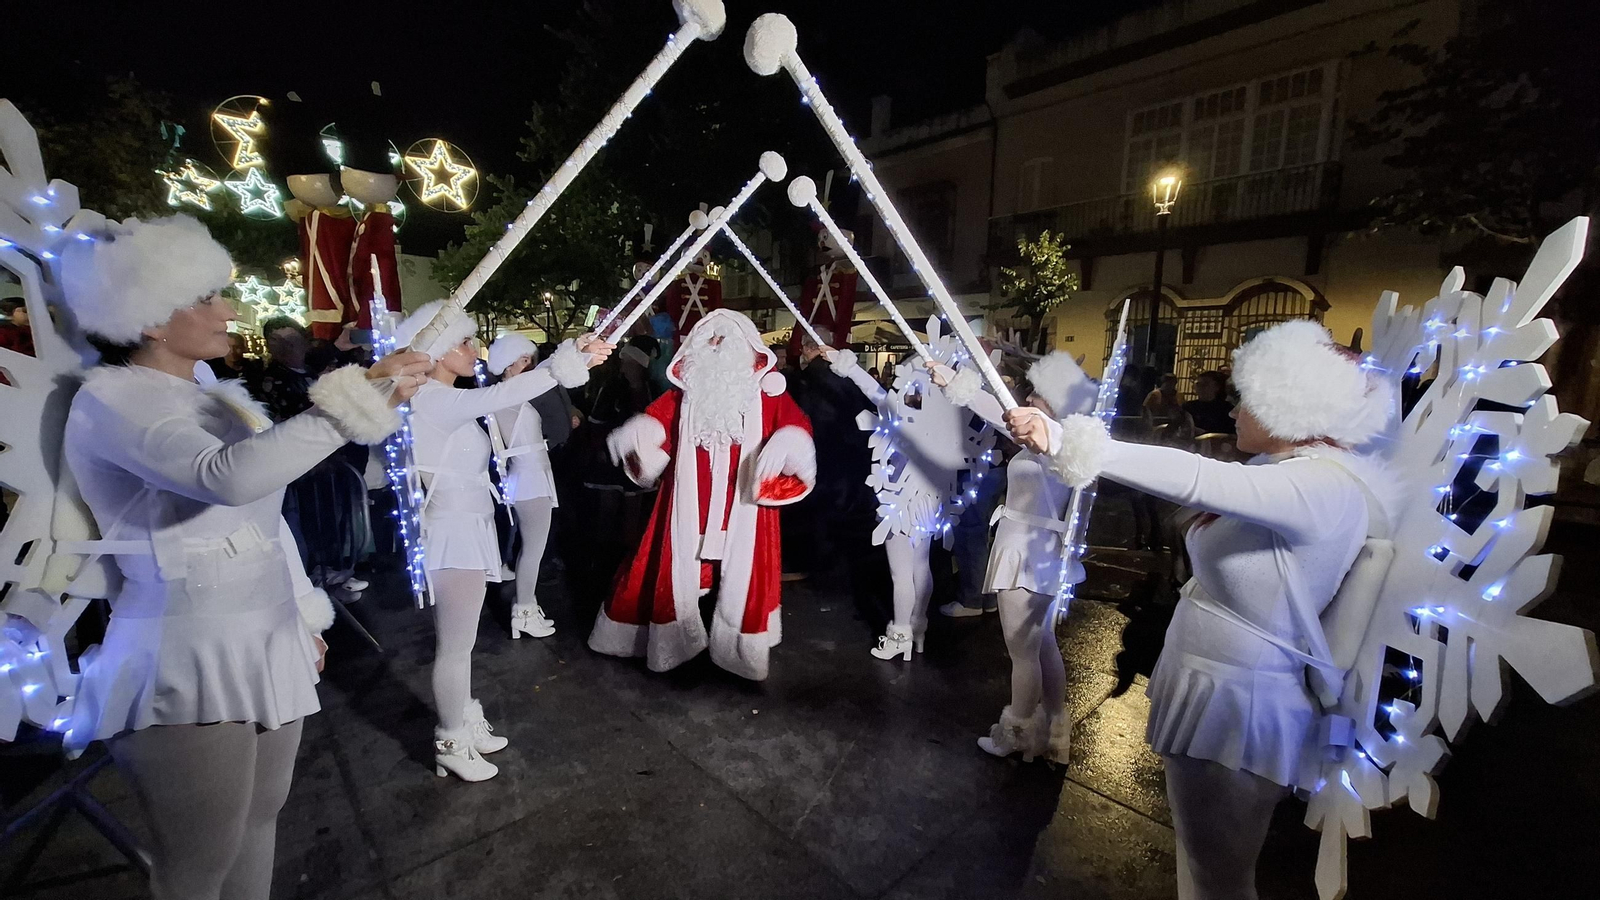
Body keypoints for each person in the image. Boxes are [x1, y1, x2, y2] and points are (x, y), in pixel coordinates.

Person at [56, 215, 430, 900]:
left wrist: (300, 616)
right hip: (185, 650)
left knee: (261, 824)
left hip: (265, 635)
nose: (227, 310)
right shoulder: (110, 399)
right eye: (204, 298)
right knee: (198, 865)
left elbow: (262, 515)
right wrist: (356, 398)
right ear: (147, 318)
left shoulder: (210, 393)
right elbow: (225, 476)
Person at [1005, 320, 1397, 900]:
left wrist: (1073, 442)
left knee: (1220, 882)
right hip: (1213, 691)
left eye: (1248, 399)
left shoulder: (1323, 488)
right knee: (1199, 866)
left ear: (1288, 407)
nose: (1234, 409)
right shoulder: (1283, 473)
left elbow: (1195, 478)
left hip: (1240, 706)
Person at [396, 302, 610, 781]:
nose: (476, 351)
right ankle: (450, 738)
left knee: (462, 642)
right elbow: (504, 395)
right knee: (454, 645)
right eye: (466, 342)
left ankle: (464, 717)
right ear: (437, 349)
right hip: (451, 534)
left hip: (466, 528)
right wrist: (566, 360)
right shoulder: (432, 398)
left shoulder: (441, 396)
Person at [590, 310, 815, 681]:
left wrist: (791, 440)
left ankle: (741, 648)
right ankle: (673, 642)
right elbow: (658, 422)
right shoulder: (684, 396)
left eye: (723, 339)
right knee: (679, 567)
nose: (715, 346)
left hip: (742, 503)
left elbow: (795, 424)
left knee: (742, 573)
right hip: (689, 503)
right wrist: (640, 432)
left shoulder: (768, 394)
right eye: (708, 339)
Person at [931, 352, 1098, 762]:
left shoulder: (1051, 444)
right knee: (1042, 646)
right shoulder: (1065, 446)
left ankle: (1017, 733)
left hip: (1024, 554)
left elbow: (995, 411)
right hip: (1038, 553)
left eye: (1040, 393)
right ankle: (1057, 728)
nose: (1030, 397)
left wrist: (959, 383)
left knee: (1023, 653)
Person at [485, 333, 561, 640]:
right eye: (524, 359)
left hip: (530, 475)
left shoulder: (506, 394)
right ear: (510, 363)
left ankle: (526, 608)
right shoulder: (508, 395)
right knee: (533, 550)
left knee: (532, 548)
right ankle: (525, 610)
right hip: (529, 478)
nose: (528, 364)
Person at [1183, 370, 1236, 435]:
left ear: (1216, 387)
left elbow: (1231, 433)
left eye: (1205, 384)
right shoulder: (1187, 407)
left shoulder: (1227, 410)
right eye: (1198, 384)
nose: (1201, 387)